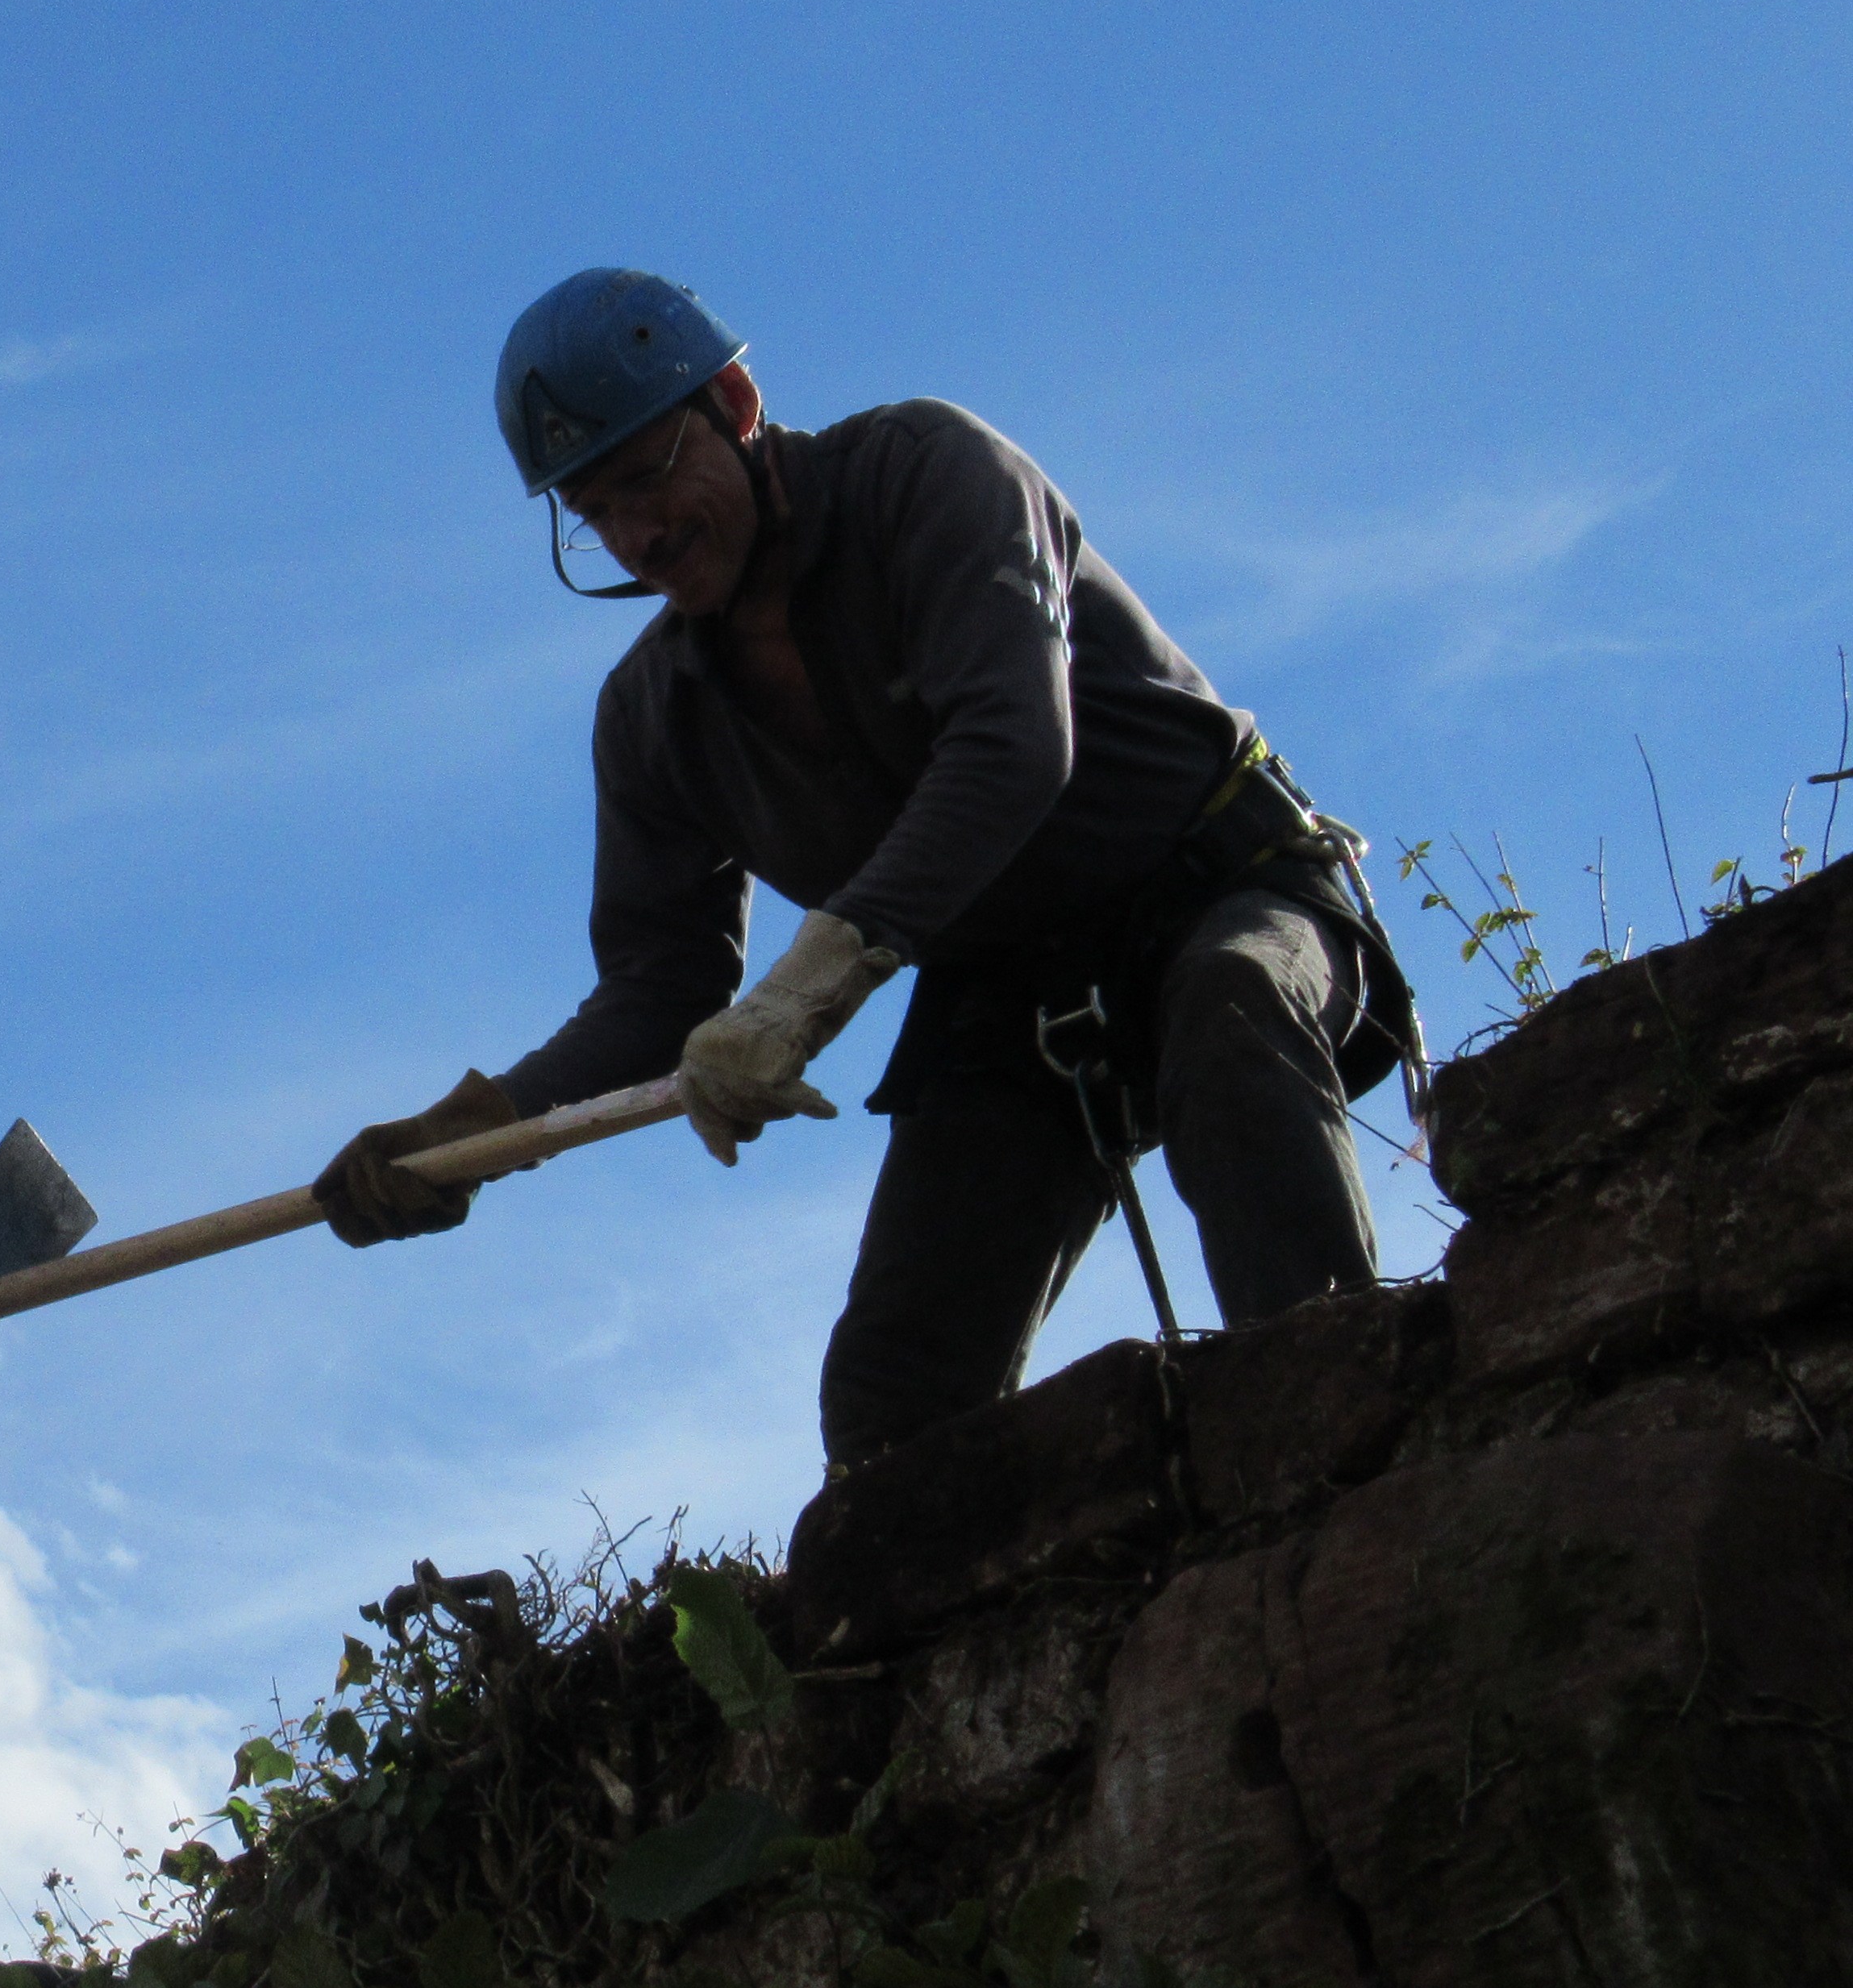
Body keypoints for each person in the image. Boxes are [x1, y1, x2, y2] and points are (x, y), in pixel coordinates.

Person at [312, 268, 1414, 1464]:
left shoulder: (927, 473)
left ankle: (1359, 1449)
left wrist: (810, 986)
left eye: (646, 476)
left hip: (1221, 881)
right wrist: (478, 1133)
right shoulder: (651, 720)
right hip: (1014, 997)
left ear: (735, 404)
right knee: (896, 1400)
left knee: (1234, 1010)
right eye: (595, 510)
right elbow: (659, 990)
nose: (638, 535)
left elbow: (1012, 748)